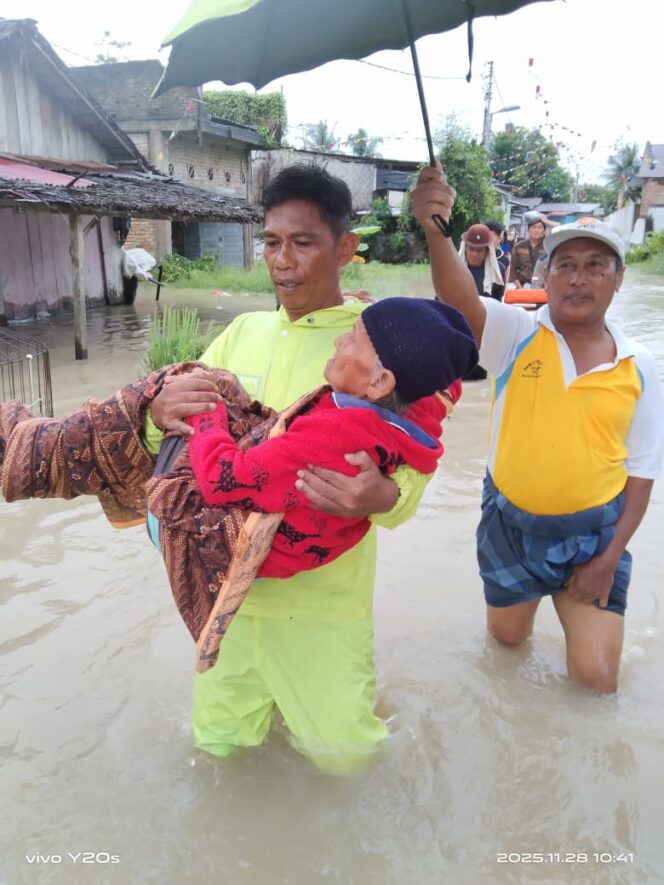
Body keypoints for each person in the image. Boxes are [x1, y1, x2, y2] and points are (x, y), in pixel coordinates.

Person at [145, 163, 457, 772]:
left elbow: (418, 452)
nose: (282, 260)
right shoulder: (241, 333)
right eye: (271, 242)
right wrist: (158, 405)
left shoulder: (374, 345)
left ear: (345, 249)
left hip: (323, 607)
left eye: (303, 242)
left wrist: (383, 496)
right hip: (227, 597)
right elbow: (183, 424)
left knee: (348, 767)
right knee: (218, 756)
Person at [411, 162, 664, 694]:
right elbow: (458, 301)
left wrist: (609, 557)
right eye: (565, 265)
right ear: (545, 279)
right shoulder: (517, 334)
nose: (579, 277)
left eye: (597, 265)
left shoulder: (640, 366)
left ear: (619, 281)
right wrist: (436, 232)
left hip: (594, 535)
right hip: (510, 524)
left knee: (597, 681)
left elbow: (641, 476)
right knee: (505, 647)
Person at [186, 297, 476, 580]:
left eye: (352, 337)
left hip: (246, 556)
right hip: (307, 555)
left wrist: (205, 409)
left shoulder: (335, 433)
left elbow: (219, 480)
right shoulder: (404, 420)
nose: (338, 341)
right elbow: (442, 387)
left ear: (379, 382)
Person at [459, 223, 505, 302]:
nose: (474, 254)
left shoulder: (497, 270)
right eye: (471, 249)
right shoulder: (453, 268)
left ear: (487, 251)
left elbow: (497, 301)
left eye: (479, 250)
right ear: (465, 248)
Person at [509, 211, 547, 288]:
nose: (536, 230)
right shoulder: (518, 246)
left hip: (542, 288)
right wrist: (520, 289)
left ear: (544, 231)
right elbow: (513, 269)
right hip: (522, 286)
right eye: (534, 227)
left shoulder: (548, 247)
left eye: (540, 227)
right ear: (528, 230)